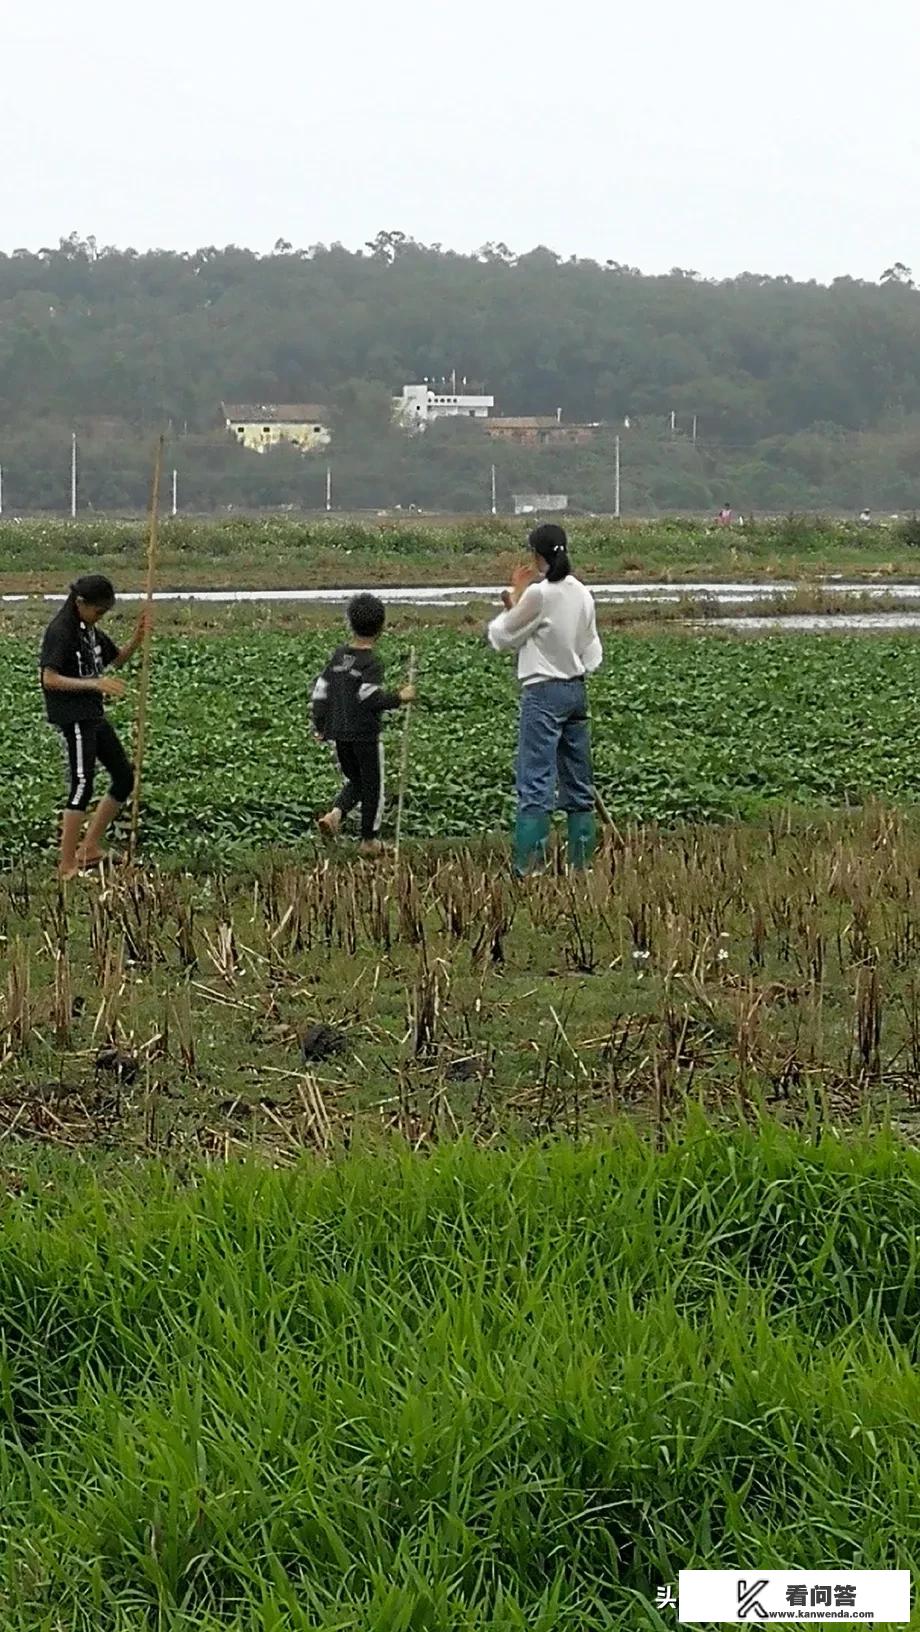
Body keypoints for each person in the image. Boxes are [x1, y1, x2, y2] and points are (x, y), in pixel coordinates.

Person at [487, 523, 603, 874]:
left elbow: (503, 635)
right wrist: (518, 604)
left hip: (543, 692)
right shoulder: (582, 593)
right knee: (578, 780)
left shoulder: (541, 594)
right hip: (575, 690)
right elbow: (591, 650)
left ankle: (530, 868)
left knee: (535, 778)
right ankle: (581, 867)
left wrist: (514, 594)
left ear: (537, 556)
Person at [39, 574, 147, 881]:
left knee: (124, 778)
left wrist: (137, 639)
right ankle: (66, 864)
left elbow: (117, 661)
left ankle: (89, 849)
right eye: (98, 611)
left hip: (93, 715)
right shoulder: (61, 632)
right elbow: (50, 678)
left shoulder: (90, 631)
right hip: (73, 717)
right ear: (80, 603)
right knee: (82, 785)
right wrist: (94, 683)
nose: (101, 617)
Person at [312, 593, 416, 856]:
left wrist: (320, 724)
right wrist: (398, 698)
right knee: (372, 786)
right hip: (365, 734)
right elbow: (368, 697)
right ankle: (369, 840)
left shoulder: (338, 657)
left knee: (356, 780)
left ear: (349, 623)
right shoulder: (371, 663)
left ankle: (335, 815)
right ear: (381, 628)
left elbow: (321, 691)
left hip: (339, 733)